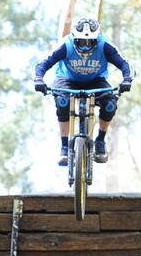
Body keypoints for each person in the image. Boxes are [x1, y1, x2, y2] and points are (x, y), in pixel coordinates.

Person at [32, 17, 134, 166]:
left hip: (96, 80)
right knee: (62, 102)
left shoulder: (105, 45)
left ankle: (100, 140)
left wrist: (127, 80)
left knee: (110, 104)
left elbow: (125, 64)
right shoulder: (65, 45)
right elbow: (43, 64)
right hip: (67, 79)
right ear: (74, 38)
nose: (86, 47)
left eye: (90, 42)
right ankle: (65, 146)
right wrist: (39, 80)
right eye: (81, 42)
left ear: (97, 39)